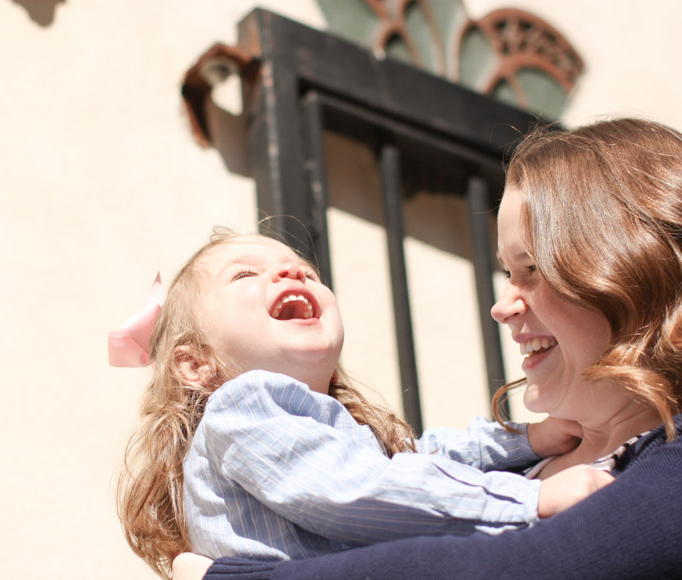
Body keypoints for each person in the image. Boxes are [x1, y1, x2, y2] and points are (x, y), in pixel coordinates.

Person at [171, 117, 682, 579]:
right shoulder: (247, 407)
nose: (501, 306)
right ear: (195, 364)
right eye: (507, 272)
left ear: (628, 271)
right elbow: (388, 483)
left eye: (531, 269)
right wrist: (530, 480)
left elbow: (507, 558)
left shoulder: (662, 471)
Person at [115, 227, 609, 577]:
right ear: (197, 365)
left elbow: (414, 460)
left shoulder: (324, 424)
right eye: (245, 274)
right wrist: (528, 499)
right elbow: (360, 489)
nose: (291, 271)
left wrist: (526, 439)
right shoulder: (241, 408)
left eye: (306, 271)